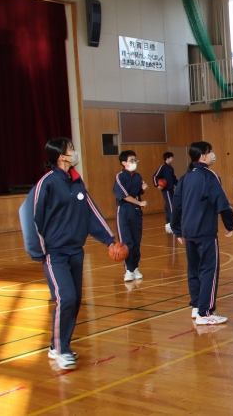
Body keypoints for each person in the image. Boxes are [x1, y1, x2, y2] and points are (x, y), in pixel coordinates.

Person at [19, 137, 116, 370]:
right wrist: (38, 250)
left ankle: (58, 345)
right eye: (71, 148)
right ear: (61, 156)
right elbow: (28, 214)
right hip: (55, 253)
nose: (75, 151)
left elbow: (91, 213)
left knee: (74, 301)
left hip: (76, 252)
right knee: (66, 298)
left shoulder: (77, 182)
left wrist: (109, 240)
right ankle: (61, 350)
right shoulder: (47, 183)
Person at [171, 142, 233, 325]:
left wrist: (177, 229)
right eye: (210, 152)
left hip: (188, 232)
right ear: (203, 155)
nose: (212, 154)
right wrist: (229, 224)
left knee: (194, 270)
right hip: (205, 231)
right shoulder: (209, 176)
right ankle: (205, 313)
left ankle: (196, 306)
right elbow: (221, 202)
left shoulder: (185, 178)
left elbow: (176, 205)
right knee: (209, 271)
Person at [113, 150, 147, 282]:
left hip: (136, 212)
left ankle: (136, 267)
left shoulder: (138, 176)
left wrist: (143, 188)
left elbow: (138, 191)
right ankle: (129, 270)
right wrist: (140, 202)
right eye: (131, 160)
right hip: (124, 211)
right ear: (124, 163)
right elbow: (124, 196)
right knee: (127, 242)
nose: (134, 162)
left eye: (135, 160)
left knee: (136, 242)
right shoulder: (120, 177)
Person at [153, 152, 179, 233]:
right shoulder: (162, 167)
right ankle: (172, 224)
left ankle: (168, 224)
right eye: (172, 157)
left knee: (169, 206)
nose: (173, 159)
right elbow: (155, 176)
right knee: (171, 205)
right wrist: (157, 185)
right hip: (166, 190)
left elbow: (174, 178)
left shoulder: (171, 168)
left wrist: (179, 185)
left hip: (171, 189)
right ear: (167, 158)